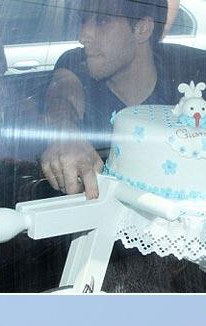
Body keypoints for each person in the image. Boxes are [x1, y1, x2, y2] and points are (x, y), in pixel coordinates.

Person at [41, 0, 170, 200]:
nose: (83, 36)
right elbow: (62, 97)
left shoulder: (185, 84)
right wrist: (65, 134)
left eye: (102, 21)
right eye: (84, 21)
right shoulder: (75, 63)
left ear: (142, 29)